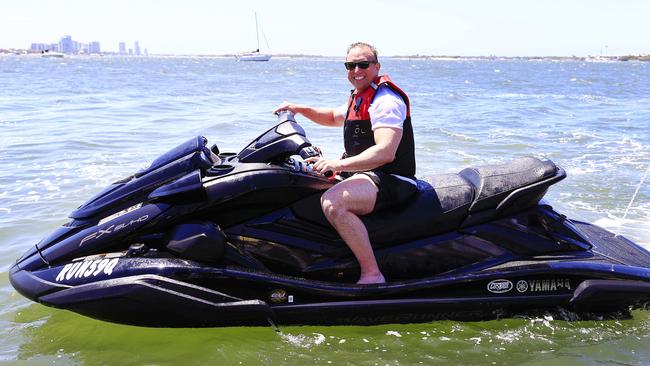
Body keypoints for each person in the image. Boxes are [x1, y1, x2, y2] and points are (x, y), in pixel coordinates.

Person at [274, 42, 417, 284]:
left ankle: (372, 273)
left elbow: (385, 153)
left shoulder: (386, 101)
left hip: (392, 179)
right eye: (350, 65)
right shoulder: (360, 97)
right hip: (367, 175)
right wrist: (298, 109)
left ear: (376, 66)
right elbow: (331, 117)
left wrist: (337, 165)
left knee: (334, 202)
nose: (356, 70)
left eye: (363, 64)